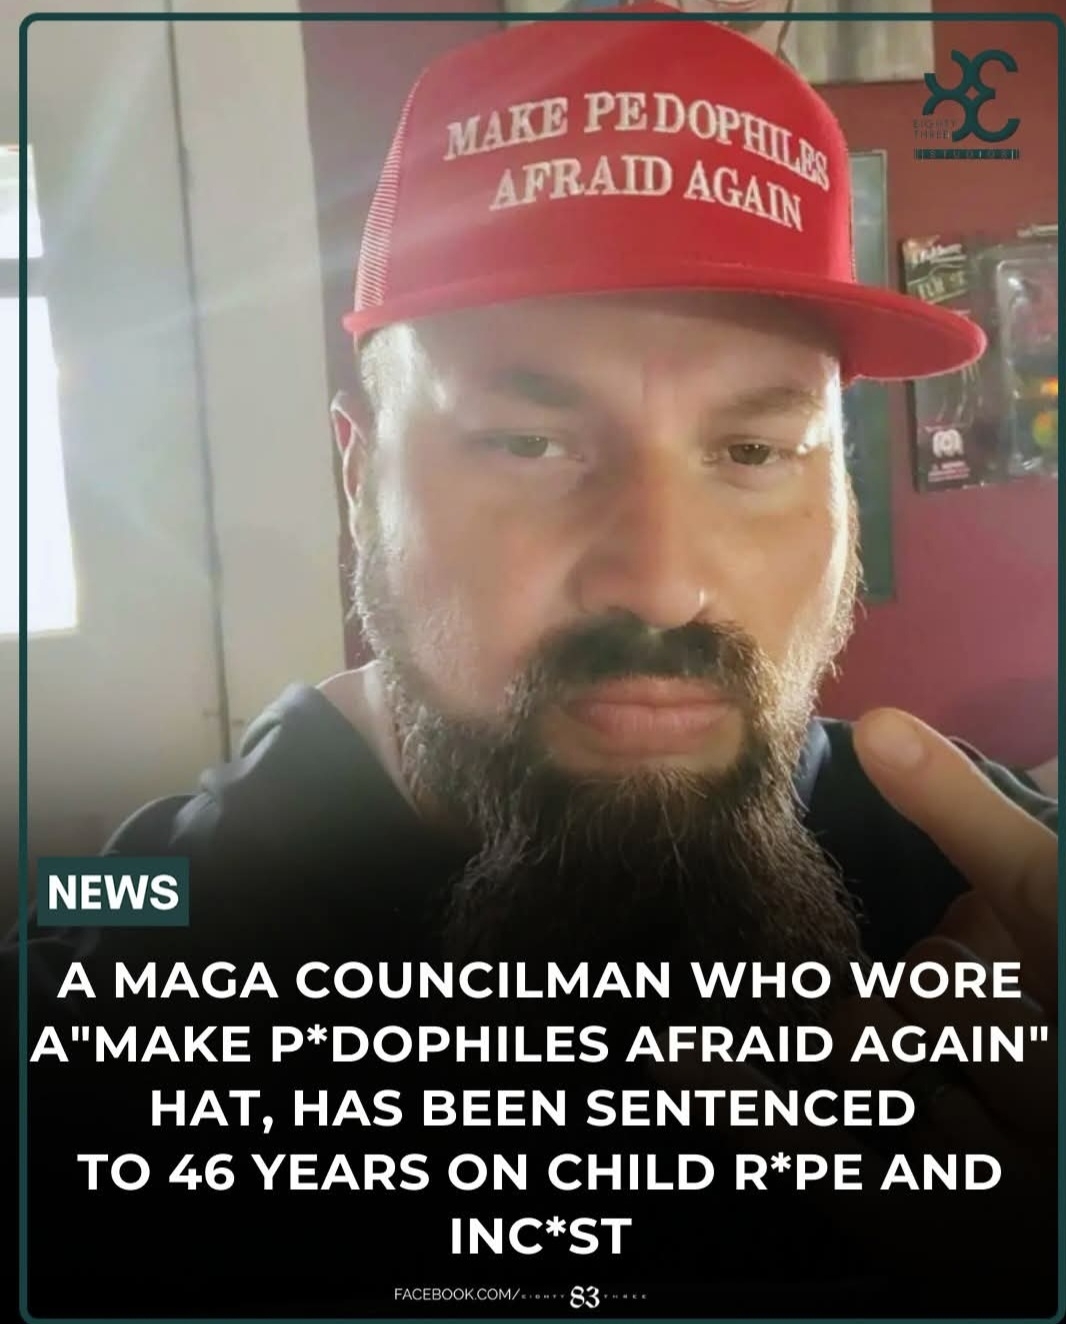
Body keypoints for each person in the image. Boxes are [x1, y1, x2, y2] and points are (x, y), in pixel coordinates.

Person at [12, 4, 1057, 1319]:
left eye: (751, 451)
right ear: (358, 482)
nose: (661, 580)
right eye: (526, 443)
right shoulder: (118, 974)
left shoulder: (1008, 909)